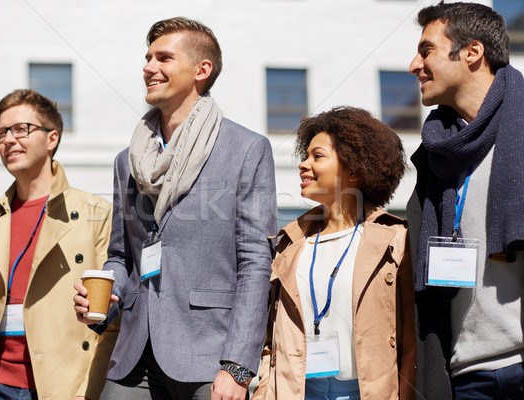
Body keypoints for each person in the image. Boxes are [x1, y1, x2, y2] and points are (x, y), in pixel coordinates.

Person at [73, 17, 277, 400]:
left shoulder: (247, 149)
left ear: (202, 70)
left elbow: (255, 262)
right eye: (148, 57)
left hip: (209, 355)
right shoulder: (126, 161)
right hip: (135, 353)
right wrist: (105, 292)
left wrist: (237, 366)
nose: (148, 67)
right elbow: (121, 256)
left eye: (163, 58)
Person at [0, 89, 116, 399]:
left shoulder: (96, 213)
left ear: (51, 139)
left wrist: (87, 390)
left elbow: (111, 319)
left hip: (60, 386)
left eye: (20, 129)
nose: (8, 140)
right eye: (1, 132)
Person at [252, 106, 416, 400]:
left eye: (317, 156)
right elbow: (271, 339)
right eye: (305, 156)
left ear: (353, 168)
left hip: (365, 393)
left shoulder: (395, 240)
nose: (303, 164)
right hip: (298, 392)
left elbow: (408, 342)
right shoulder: (288, 244)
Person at [407, 1, 524, 399]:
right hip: (468, 376)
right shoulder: (434, 158)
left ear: (472, 52)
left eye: (427, 51)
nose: (414, 65)